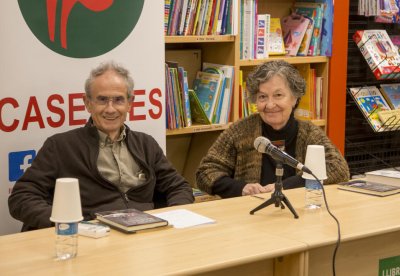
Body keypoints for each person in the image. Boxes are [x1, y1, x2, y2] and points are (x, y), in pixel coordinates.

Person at [8, 61, 194, 231]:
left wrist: (172, 219)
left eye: (118, 100)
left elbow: (179, 188)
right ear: (88, 103)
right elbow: (22, 197)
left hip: (145, 238)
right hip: (90, 238)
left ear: (130, 104)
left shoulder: (146, 144)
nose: (110, 109)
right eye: (102, 100)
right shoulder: (60, 146)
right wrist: (66, 223)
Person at [196, 60, 349, 198]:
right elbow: (205, 172)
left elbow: (338, 169)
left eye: (278, 95)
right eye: (262, 97)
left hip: (298, 214)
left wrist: (284, 187)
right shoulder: (240, 131)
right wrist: (242, 188)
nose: (270, 105)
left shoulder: (309, 133)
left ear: (294, 98)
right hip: (248, 215)